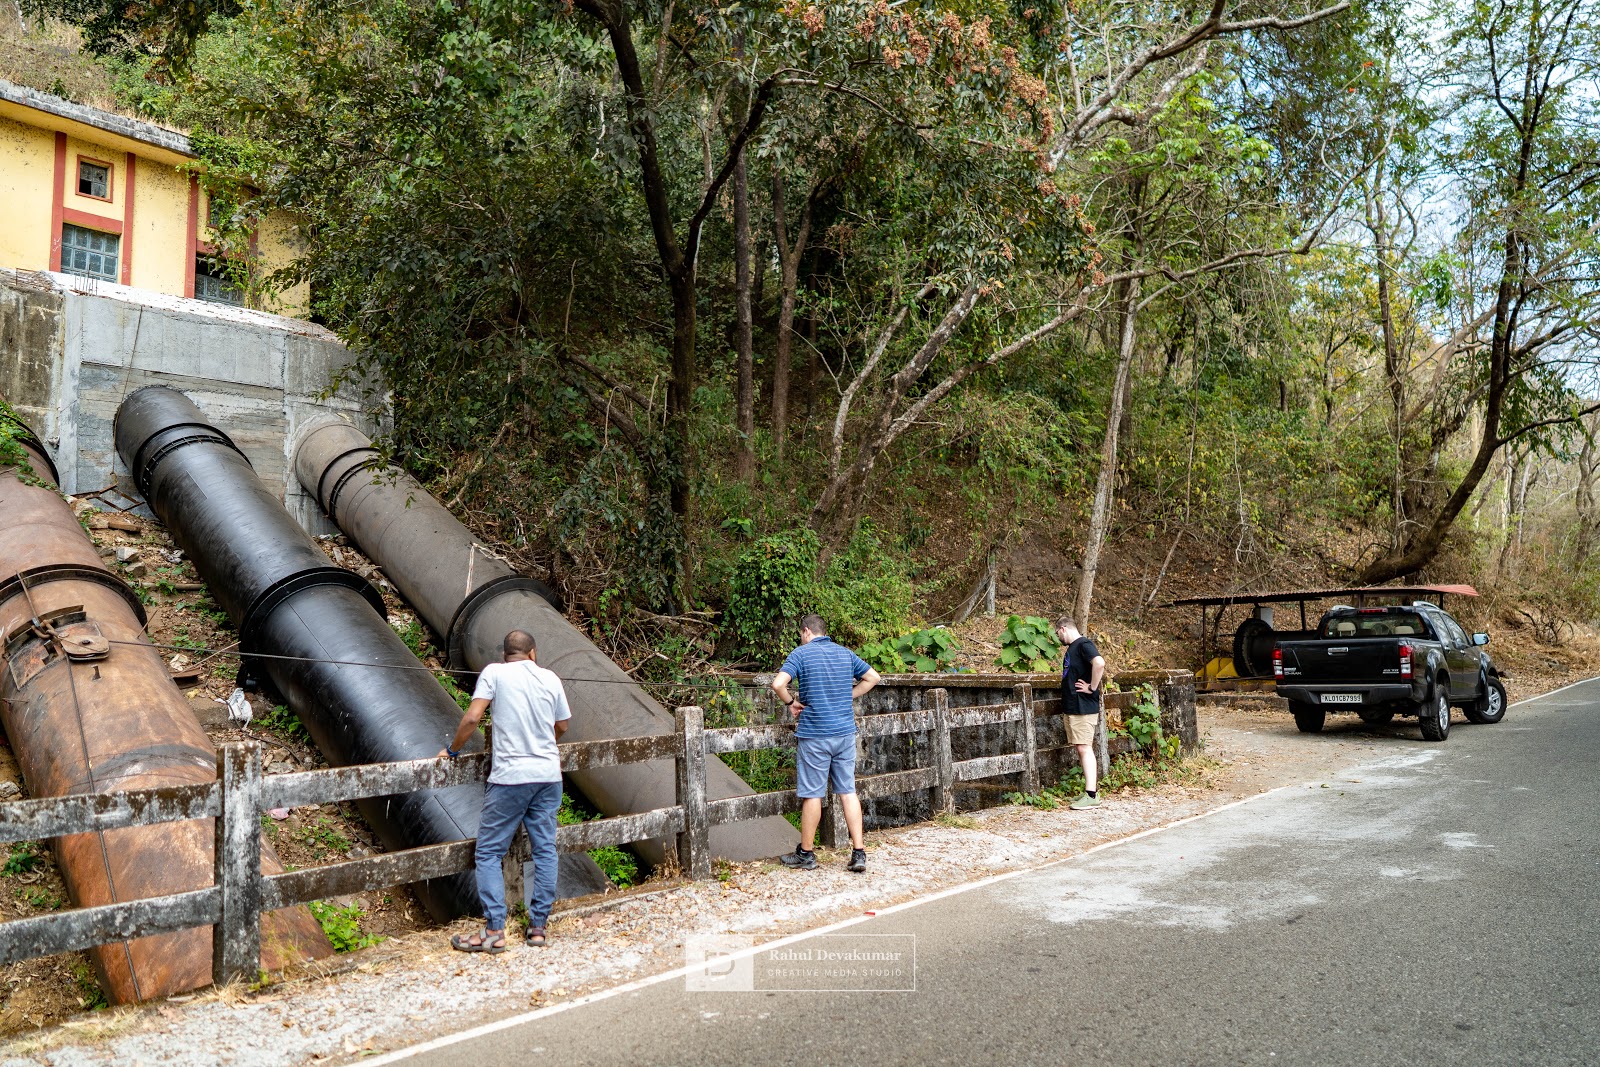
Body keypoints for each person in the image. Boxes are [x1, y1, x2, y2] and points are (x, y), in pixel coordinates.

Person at [442, 629, 569, 952]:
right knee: (545, 850)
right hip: (548, 776)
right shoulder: (550, 678)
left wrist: (453, 750)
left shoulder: (494, 673)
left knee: (488, 852)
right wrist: (542, 744)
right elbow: (562, 725)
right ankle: (538, 928)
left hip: (510, 778)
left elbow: (472, 718)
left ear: (505, 655)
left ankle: (494, 930)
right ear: (533, 653)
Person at [771, 614, 881, 872]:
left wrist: (791, 702)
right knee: (848, 791)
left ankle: (806, 854)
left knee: (813, 794)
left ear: (806, 631)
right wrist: (848, 695)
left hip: (815, 734)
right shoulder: (845, 653)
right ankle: (859, 853)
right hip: (844, 733)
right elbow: (873, 677)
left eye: (801, 634)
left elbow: (778, 684)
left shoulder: (801, 654)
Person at [1055, 617, 1106, 810]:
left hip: (1083, 706)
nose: (1058, 638)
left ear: (1063, 629)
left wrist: (1092, 687)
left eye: (1057, 633)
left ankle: (1091, 795)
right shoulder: (1074, 647)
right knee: (1081, 747)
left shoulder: (1084, 644)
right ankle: (1089, 791)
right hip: (1075, 707)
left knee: (1084, 748)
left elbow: (1099, 663)